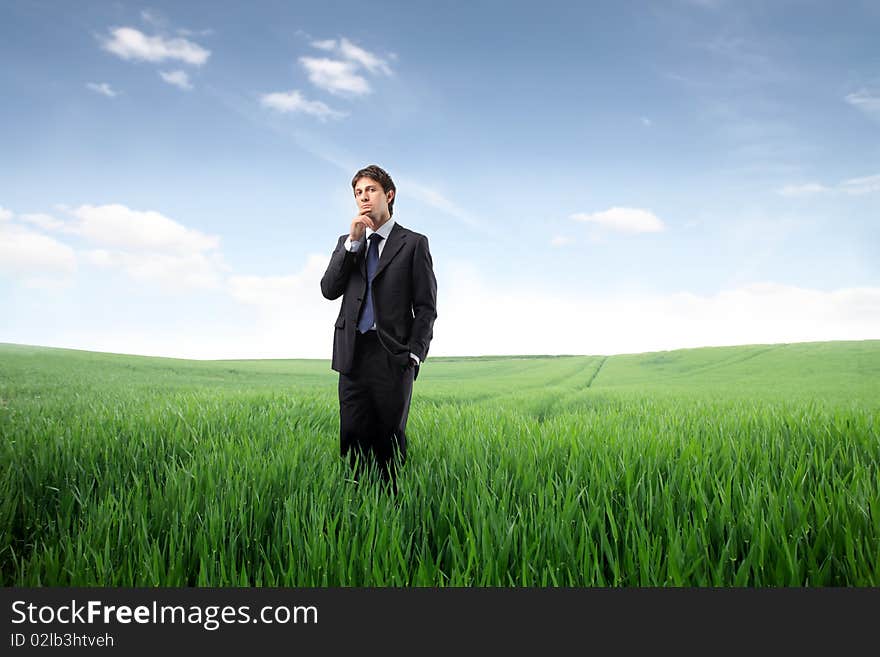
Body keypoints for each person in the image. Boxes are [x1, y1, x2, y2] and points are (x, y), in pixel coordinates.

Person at [320, 164, 438, 494]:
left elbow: (426, 307)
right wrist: (353, 244)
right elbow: (329, 289)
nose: (363, 198)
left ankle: (391, 507)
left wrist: (414, 354)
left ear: (389, 194)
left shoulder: (413, 243)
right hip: (353, 352)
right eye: (358, 193)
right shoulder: (349, 242)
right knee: (352, 436)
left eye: (370, 190)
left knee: (389, 439)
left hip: (393, 355)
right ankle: (355, 505)